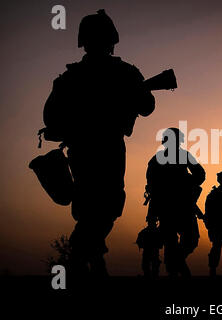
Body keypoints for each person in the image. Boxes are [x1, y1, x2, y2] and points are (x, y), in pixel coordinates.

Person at [43, 9, 155, 278]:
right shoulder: (124, 73)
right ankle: (82, 257)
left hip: (82, 152)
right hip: (107, 149)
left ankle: (89, 259)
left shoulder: (69, 78)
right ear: (112, 40)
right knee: (106, 206)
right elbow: (148, 107)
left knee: (91, 208)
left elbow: (50, 119)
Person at [145, 128, 205, 277]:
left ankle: (174, 263)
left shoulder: (159, 158)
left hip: (176, 205)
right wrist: (187, 182)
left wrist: (187, 182)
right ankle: (174, 267)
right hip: (175, 206)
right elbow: (199, 175)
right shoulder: (167, 158)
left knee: (183, 241)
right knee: (177, 241)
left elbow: (200, 175)